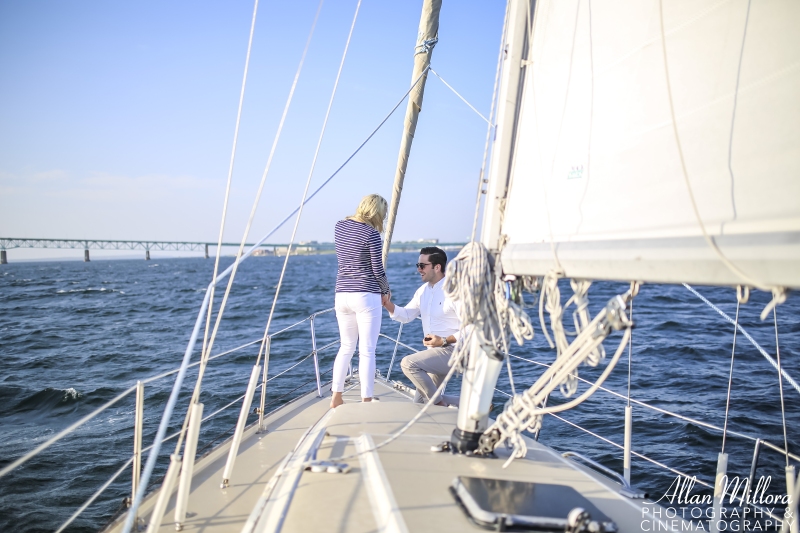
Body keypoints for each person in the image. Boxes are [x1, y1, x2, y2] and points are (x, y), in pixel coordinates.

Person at [330, 194, 391, 409]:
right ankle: (366, 398)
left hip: (342, 295)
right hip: (365, 294)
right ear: (377, 213)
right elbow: (377, 270)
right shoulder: (372, 234)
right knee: (367, 350)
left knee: (345, 347)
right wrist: (386, 290)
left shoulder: (339, 226)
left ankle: (336, 397)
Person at [383, 246, 462, 407]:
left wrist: (444, 340)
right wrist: (386, 304)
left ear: (437, 267)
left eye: (422, 265)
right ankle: (469, 404)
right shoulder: (423, 291)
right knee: (419, 405)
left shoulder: (455, 290)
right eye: (417, 265)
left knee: (408, 363)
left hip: (456, 352)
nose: (419, 269)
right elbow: (406, 315)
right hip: (435, 354)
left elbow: (472, 327)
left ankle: (440, 404)